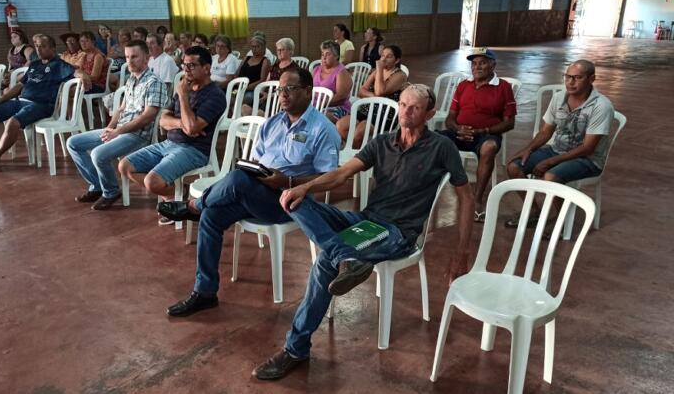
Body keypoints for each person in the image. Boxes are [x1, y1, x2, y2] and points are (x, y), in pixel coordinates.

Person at [250, 83, 474, 380]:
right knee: (295, 203)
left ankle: (295, 348)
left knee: (324, 264)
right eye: (403, 104)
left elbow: (466, 197)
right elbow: (342, 173)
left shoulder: (441, 147)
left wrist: (461, 253)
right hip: (365, 222)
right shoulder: (382, 142)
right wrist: (302, 186)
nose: (405, 111)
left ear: (429, 113)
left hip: (398, 232)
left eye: (414, 107)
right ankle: (346, 256)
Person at [156, 67, 341, 316]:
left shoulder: (322, 129)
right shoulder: (273, 123)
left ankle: (193, 206)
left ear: (308, 92)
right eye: (279, 90)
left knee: (237, 180)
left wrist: (286, 181)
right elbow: (255, 163)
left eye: (290, 89)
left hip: (290, 202)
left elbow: (328, 178)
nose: (283, 95)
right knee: (213, 215)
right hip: (258, 193)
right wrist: (260, 174)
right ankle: (205, 291)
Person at [118, 46, 226, 216]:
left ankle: (175, 196)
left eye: (191, 65)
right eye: (184, 65)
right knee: (125, 166)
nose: (186, 70)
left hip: (194, 149)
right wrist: (183, 124)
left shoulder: (215, 95)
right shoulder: (185, 87)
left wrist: (183, 96)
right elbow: (163, 120)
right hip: (168, 143)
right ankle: (179, 192)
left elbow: (192, 128)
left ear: (206, 68)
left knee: (151, 182)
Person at [505, 59, 614, 226]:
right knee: (513, 166)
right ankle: (534, 211)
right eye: (568, 77)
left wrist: (550, 161)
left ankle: (561, 221)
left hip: (588, 159)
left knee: (551, 176)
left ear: (591, 79)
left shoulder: (601, 106)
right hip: (556, 150)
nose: (570, 82)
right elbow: (546, 131)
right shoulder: (559, 98)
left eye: (577, 78)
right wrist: (528, 149)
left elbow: (588, 148)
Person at [66, 40, 167, 210]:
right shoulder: (131, 80)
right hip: (120, 130)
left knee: (98, 154)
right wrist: (110, 128)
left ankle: (111, 191)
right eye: (127, 57)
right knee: (73, 143)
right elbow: (120, 109)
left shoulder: (153, 83)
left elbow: (147, 117)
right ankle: (97, 186)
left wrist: (118, 131)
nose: (130, 61)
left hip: (137, 135)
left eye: (134, 57)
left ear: (146, 58)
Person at [0, 35, 75, 171]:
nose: (39, 49)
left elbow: (76, 71)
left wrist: (83, 76)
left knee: (13, 122)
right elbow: (19, 86)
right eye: (37, 46)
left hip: (41, 106)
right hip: (21, 101)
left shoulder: (59, 65)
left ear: (52, 48)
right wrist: (0, 99)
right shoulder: (34, 64)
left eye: (43, 46)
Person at [440, 47, 516, 222]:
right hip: (460, 133)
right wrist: (457, 129)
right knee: (434, 141)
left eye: (482, 63)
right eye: (474, 63)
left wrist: (482, 131)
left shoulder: (503, 87)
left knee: (489, 148)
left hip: (486, 135)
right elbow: (450, 118)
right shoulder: (463, 85)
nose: (477, 67)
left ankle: (477, 199)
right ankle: (430, 189)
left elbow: (509, 123)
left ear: (492, 65)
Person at [336, 44, 407, 146]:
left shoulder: (400, 75)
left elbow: (380, 91)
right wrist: (375, 97)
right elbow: (361, 91)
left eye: (389, 56)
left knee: (360, 131)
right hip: (367, 109)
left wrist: (379, 70)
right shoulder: (376, 72)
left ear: (396, 60)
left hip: (384, 114)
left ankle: (358, 155)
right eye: (382, 55)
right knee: (340, 126)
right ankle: (358, 149)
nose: (384, 59)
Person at [313, 40, 353, 123]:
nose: (324, 57)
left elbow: (341, 96)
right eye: (322, 54)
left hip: (338, 108)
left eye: (328, 54)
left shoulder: (341, 72)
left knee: (319, 117)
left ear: (336, 56)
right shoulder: (316, 69)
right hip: (316, 106)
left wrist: (322, 105)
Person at [237, 32, 271, 111]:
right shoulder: (247, 58)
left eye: (257, 46)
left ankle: (240, 119)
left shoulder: (265, 61)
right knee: (228, 98)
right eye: (252, 47)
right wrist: (238, 83)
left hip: (254, 90)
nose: (254, 49)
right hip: (240, 87)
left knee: (246, 98)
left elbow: (262, 80)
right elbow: (237, 72)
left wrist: (247, 87)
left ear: (263, 47)